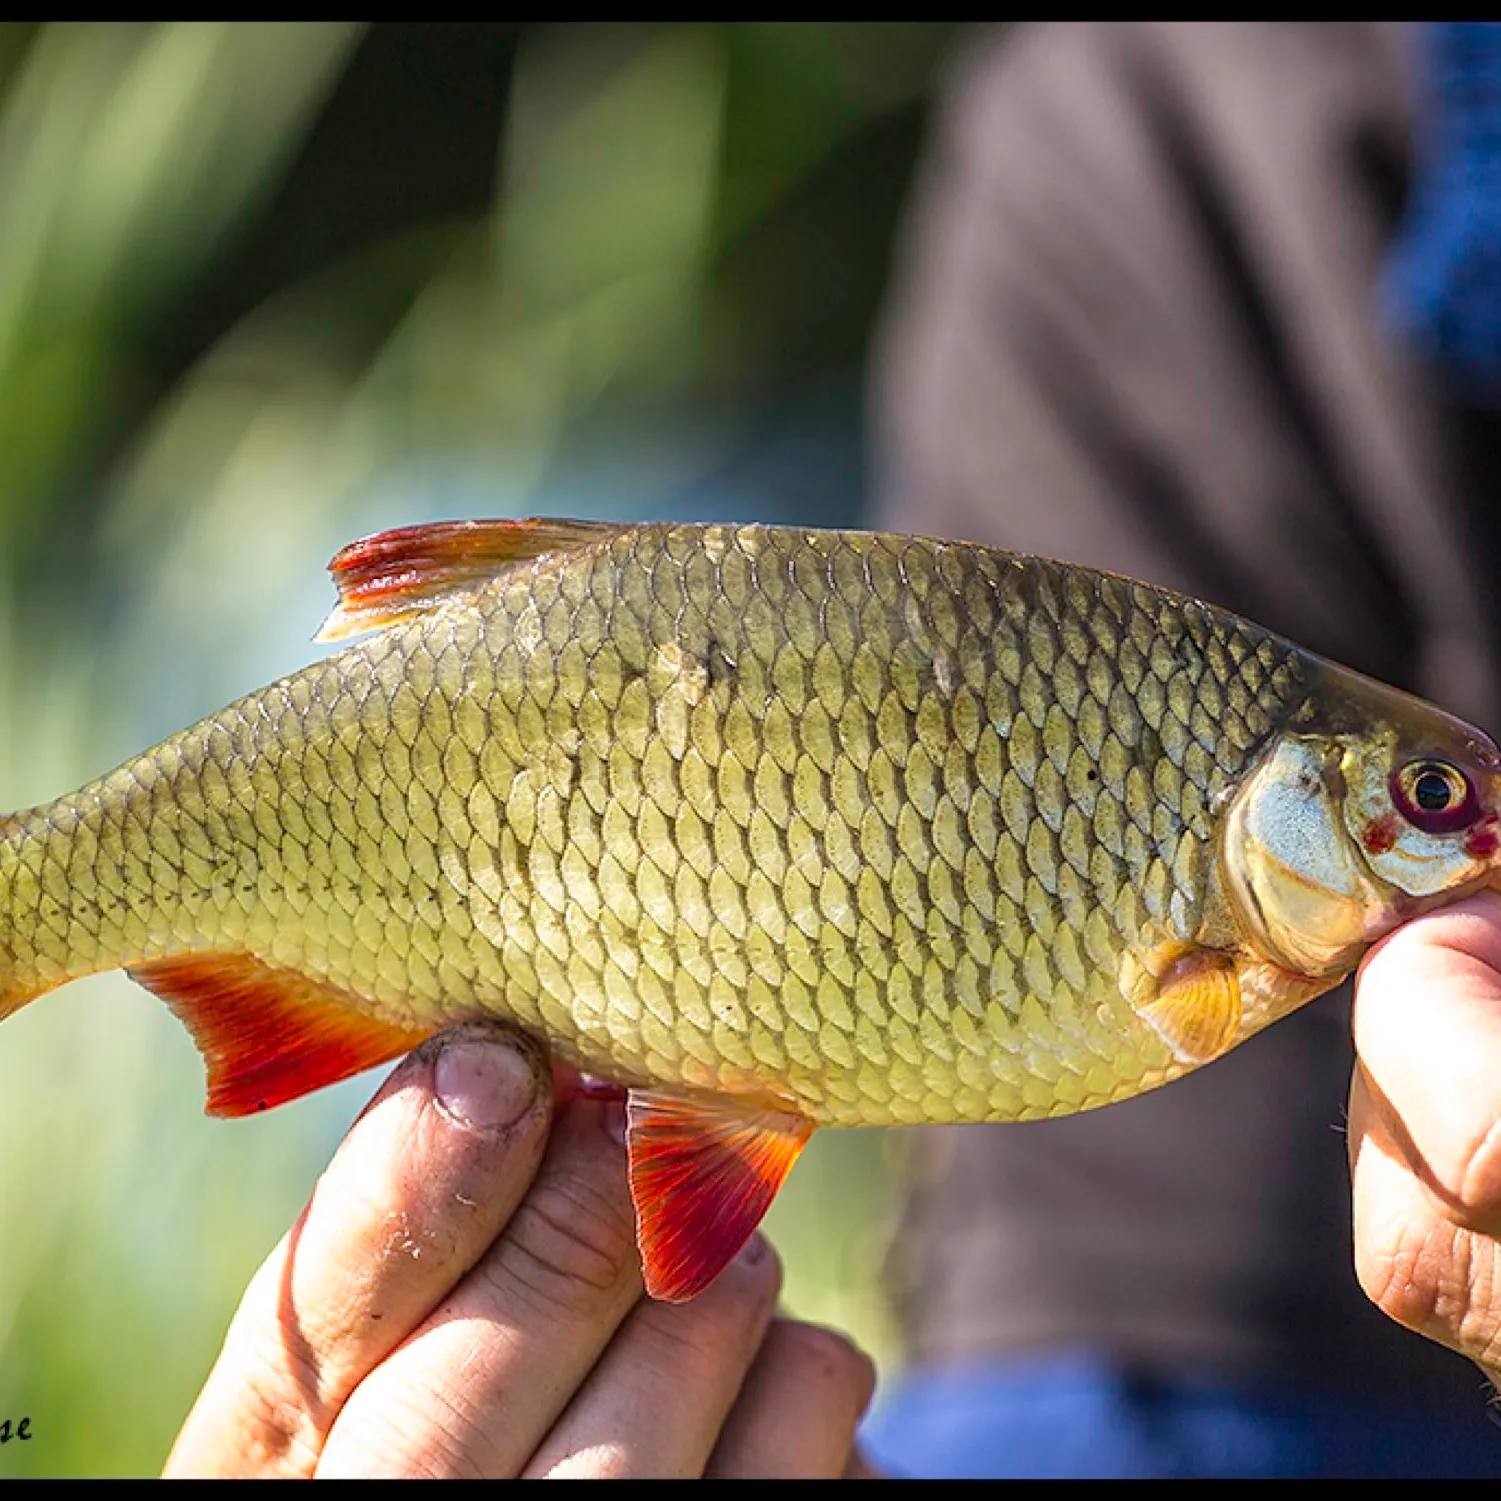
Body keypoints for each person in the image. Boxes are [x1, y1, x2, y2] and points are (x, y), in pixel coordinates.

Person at [167, 21, 1501, 1478]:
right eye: (1432, 802)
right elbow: (1145, 1349)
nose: (1461, 834)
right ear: (1286, 795)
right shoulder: (1179, 147)